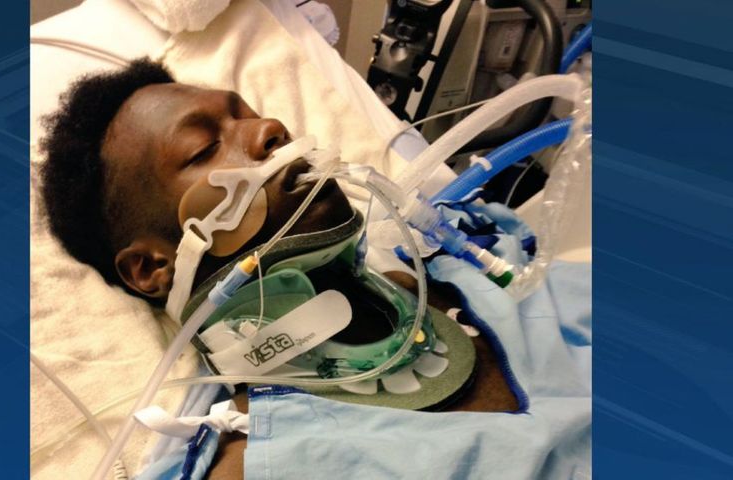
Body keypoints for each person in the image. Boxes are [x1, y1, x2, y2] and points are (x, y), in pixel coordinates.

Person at [39, 58, 518, 478]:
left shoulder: (461, 259)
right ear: (150, 267)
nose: (270, 128)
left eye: (248, 114)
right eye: (203, 148)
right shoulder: (255, 462)